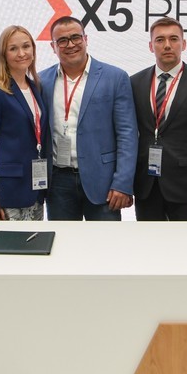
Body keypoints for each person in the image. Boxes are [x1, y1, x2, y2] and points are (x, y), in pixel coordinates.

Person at [39, 16, 137, 221]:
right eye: (62, 41)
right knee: (63, 240)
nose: (70, 45)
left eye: (76, 37)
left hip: (104, 182)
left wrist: (122, 183)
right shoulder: (41, 81)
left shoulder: (115, 77)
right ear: (53, 46)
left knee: (105, 241)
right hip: (58, 182)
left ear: (86, 39)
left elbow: (127, 134)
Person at [130, 17, 187, 221]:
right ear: (150, 46)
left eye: (173, 39)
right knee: (147, 241)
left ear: (184, 44)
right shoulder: (134, 83)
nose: (167, 45)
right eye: (160, 40)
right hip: (146, 187)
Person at [0, 26, 47, 221]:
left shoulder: (36, 87)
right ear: (3, 54)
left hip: (34, 188)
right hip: (5, 190)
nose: (21, 53)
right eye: (13, 48)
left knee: (34, 240)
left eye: (26, 46)